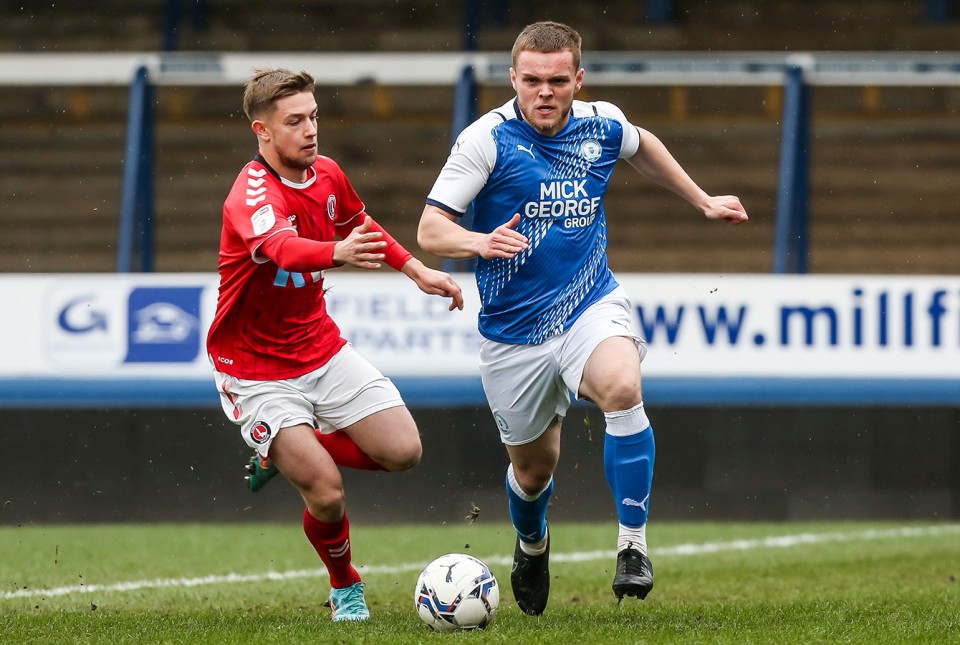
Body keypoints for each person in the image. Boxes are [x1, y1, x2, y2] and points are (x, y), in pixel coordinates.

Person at [417, 21, 748, 615]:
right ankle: (532, 542)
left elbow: (641, 144)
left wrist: (701, 199)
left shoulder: (600, 123)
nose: (545, 92)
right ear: (513, 78)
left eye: (558, 80)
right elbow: (430, 228)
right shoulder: (485, 140)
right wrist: (478, 242)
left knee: (622, 387)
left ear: (578, 80)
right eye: (533, 81)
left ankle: (632, 546)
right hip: (514, 335)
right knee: (533, 471)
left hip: (589, 304)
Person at [206, 68, 463, 623]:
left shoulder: (327, 174)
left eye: (313, 116)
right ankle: (345, 584)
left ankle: (288, 449)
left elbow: (359, 222)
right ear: (263, 131)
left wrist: (416, 269)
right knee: (325, 491)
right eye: (294, 120)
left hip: (320, 348)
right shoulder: (250, 193)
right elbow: (283, 249)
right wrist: (336, 254)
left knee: (404, 453)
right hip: (254, 369)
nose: (309, 129)